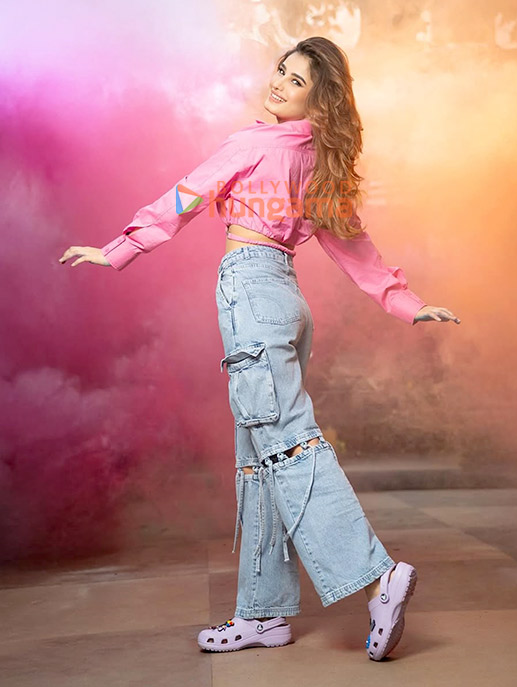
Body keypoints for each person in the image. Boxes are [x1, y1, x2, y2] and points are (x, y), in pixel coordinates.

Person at [59, 36, 460, 661]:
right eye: (281, 70)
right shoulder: (320, 164)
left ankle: (378, 579)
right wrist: (407, 303)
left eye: (297, 81)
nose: (278, 83)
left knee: (290, 449)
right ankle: (263, 613)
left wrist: (118, 250)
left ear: (318, 101)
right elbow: (357, 251)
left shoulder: (254, 144)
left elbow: (186, 196)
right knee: (260, 459)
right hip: (286, 301)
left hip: (251, 292)